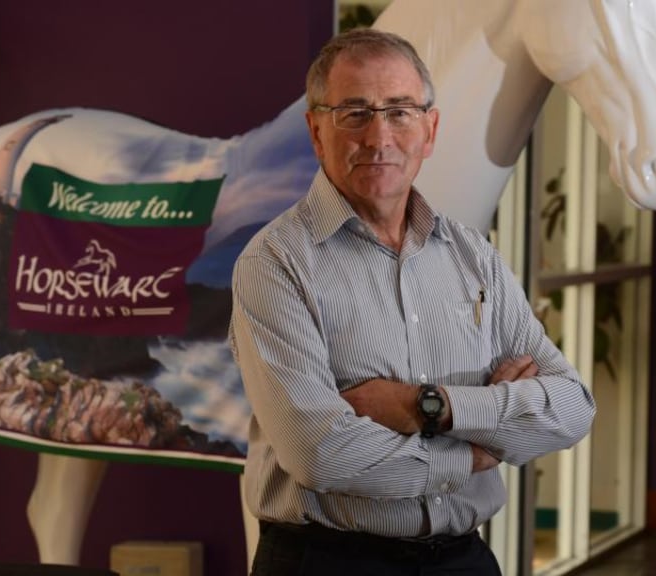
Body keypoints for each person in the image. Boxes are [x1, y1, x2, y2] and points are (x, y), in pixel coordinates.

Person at [229, 27, 596, 576]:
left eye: (400, 111)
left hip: (463, 559)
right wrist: (474, 452)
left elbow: (571, 407)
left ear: (431, 128)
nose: (379, 137)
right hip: (328, 561)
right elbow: (319, 453)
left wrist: (434, 406)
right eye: (354, 112)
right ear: (316, 130)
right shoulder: (276, 263)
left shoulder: (474, 257)